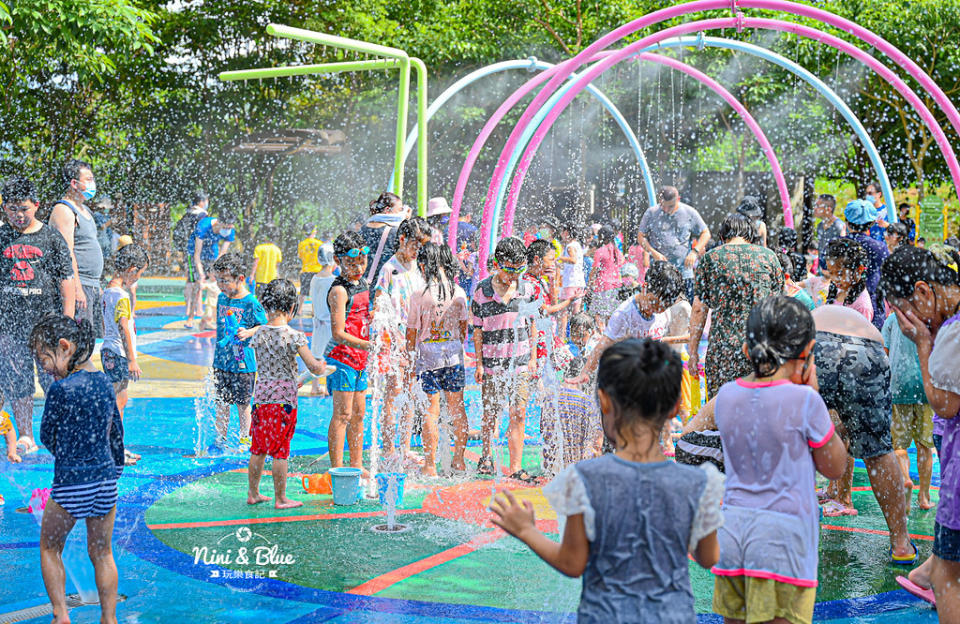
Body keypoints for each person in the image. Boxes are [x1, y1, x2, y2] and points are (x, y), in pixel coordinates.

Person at [490, 338, 723, 623]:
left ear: (603, 400)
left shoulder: (585, 479)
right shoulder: (696, 484)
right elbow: (708, 556)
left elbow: (572, 562)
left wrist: (526, 530)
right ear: (675, 407)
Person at [711, 296, 848, 624]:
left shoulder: (727, 396)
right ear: (809, 350)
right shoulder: (805, 401)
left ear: (748, 350)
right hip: (782, 543)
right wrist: (815, 397)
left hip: (731, 535)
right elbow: (835, 467)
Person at [881, 245, 960, 617]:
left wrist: (924, 345)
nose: (910, 324)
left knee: (947, 571)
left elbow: (945, 404)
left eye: (906, 312)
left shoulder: (950, 332)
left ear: (924, 291)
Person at [30, 314, 123, 624]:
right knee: (102, 552)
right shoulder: (106, 383)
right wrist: (114, 471)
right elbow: (116, 433)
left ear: (65, 347)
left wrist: (66, 453)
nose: (43, 367)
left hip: (71, 484)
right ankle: (109, 619)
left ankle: (61, 616)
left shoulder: (60, 389)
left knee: (50, 547)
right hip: (105, 483)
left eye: (44, 358)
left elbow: (46, 435)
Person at [811, 304, 915, 562]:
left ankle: (795, 537)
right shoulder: (858, 318)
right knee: (879, 452)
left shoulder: (814, 312)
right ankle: (901, 544)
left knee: (797, 440)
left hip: (814, 344)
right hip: (867, 349)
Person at [0, 176, 75, 455]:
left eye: (24, 209)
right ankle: (26, 435)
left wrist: (66, 323)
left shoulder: (50, 237)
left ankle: (59, 429)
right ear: (4, 208)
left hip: (45, 323)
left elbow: (66, 280)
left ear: (37, 205)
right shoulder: (1, 237)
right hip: (9, 323)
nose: (19, 215)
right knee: (17, 379)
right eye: (11, 209)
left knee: (53, 376)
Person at [243, 279, 333, 509]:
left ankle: (253, 493)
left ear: (265, 306)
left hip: (261, 399)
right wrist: (321, 367)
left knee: (259, 447)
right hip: (283, 402)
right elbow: (313, 367)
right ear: (292, 307)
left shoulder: (258, 334)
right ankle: (281, 498)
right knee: (280, 451)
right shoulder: (294, 336)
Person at [687, 213, 784, 397]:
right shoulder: (769, 257)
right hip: (760, 349)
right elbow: (779, 307)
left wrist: (693, 352)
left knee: (720, 412)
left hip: (723, 352)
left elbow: (699, 309)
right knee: (759, 411)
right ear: (749, 235)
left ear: (723, 236)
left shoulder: (711, 259)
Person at [471, 237, 541, 481]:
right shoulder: (482, 291)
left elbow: (533, 325)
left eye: (519, 269)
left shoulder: (528, 289)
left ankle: (515, 467)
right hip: (492, 363)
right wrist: (479, 363)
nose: (514, 275)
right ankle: (486, 456)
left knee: (519, 412)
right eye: (509, 269)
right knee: (491, 412)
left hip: (519, 362)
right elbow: (477, 330)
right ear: (497, 263)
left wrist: (533, 357)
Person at [406, 243, 470, 475]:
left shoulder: (420, 295)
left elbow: (412, 331)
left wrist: (409, 357)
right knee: (457, 409)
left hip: (428, 357)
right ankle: (459, 461)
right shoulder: (460, 293)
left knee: (430, 412)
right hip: (453, 356)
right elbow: (464, 330)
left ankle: (430, 465)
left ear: (424, 265)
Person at [373, 217, 430, 465]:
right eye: (416, 243)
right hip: (395, 341)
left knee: (411, 394)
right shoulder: (390, 269)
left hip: (417, 341)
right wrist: (393, 339)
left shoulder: (419, 269)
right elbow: (379, 305)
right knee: (393, 394)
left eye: (423, 244)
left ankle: (405, 448)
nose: (419, 248)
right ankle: (388, 449)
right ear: (402, 239)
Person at [579, 261, 684, 380]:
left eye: (663, 307)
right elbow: (602, 345)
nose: (656, 309)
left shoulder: (664, 313)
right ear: (644, 287)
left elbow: (655, 340)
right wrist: (585, 373)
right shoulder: (624, 314)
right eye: (652, 302)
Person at [325, 232, 373, 471]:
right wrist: (367, 345)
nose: (357, 267)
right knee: (343, 414)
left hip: (360, 359)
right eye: (351, 263)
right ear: (338, 260)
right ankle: (337, 467)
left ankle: (356, 465)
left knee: (359, 415)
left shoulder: (363, 284)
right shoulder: (339, 291)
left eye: (362, 262)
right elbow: (338, 333)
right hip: (342, 359)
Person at [210, 252, 267, 452]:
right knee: (221, 402)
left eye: (225, 281)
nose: (221, 285)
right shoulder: (221, 298)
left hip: (244, 363)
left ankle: (245, 439)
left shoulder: (251, 302)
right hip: (222, 361)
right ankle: (220, 438)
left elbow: (265, 326)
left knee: (243, 404)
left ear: (240, 278)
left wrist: (249, 331)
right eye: (218, 280)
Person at [882, 309, 936, 513]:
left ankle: (905, 478)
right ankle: (924, 495)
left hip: (899, 385)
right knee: (924, 444)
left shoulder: (892, 319)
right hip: (925, 384)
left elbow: (884, 352)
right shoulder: (929, 317)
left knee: (899, 444)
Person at [101, 244, 148, 466]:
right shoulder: (121, 296)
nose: (137, 279)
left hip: (109, 351)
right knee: (117, 403)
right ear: (131, 270)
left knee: (119, 398)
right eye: (139, 274)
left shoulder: (107, 291)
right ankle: (113, 449)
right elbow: (124, 328)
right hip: (119, 354)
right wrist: (132, 359)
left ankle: (115, 447)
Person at [49, 159, 104, 336]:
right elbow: (66, 253)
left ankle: (82, 364)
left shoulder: (85, 209)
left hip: (91, 283)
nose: (92, 183)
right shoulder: (63, 210)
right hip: (79, 285)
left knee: (88, 338)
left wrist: (97, 284)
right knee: (76, 338)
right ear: (74, 183)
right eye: (88, 179)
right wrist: (77, 289)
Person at [637, 186, 711, 302]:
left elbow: (705, 233)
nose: (666, 210)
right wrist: (653, 252)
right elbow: (641, 237)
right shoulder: (651, 213)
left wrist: (694, 252)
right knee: (657, 310)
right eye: (663, 206)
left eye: (670, 206)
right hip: (659, 273)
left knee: (685, 310)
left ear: (678, 199)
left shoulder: (689, 212)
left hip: (683, 273)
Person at [541, 357, 602, 473]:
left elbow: (543, 432)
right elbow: (597, 443)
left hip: (552, 468)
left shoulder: (548, 399)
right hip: (577, 468)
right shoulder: (588, 402)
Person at [844, 198, 889, 330]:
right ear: (871, 224)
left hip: (842, 301)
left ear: (847, 222)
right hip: (873, 302)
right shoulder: (879, 248)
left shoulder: (837, 245)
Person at [174, 192, 209, 328]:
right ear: (201, 202)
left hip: (187, 250)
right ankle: (197, 309)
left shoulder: (187, 214)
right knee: (196, 280)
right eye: (206, 200)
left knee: (191, 279)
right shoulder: (202, 215)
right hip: (197, 250)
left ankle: (189, 308)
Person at [361, 192, 405, 288]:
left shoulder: (363, 228)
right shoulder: (395, 231)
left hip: (362, 285)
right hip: (383, 286)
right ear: (387, 210)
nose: (402, 213)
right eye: (400, 210)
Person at [308, 244, 336, 397]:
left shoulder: (314, 278)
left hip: (317, 321)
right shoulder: (334, 280)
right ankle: (328, 387)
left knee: (317, 354)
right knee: (331, 355)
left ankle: (315, 386)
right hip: (330, 322)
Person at [822, 238, 873, 320]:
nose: (835, 279)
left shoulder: (862, 306)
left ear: (859, 270)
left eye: (840, 274)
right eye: (831, 273)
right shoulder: (838, 291)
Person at [586, 225, 624, 329]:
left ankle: (602, 335)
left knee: (597, 314)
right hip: (615, 286)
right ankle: (610, 335)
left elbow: (595, 269)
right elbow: (622, 263)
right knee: (610, 314)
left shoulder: (600, 251)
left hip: (602, 285)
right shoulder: (617, 251)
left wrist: (589, 282)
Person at [557, 222, 587, 337]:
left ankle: (562, 337)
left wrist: (559, 258)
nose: (561, 233)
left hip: (570, 283)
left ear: (567, 232)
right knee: (576, 313)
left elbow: (573, 260)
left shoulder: (570, 246)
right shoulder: (577, 245)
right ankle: (579, 336)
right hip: (578, 282)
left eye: (563, 231)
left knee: (563, 312)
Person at [814, 193, 846, 272]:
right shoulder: (820, 226)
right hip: (822, 269)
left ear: (828, 209)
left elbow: (843, 251)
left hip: (835, 270)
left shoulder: (839, 226)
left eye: (818, 206)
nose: (815, 208)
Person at [297, 225, 324, 312]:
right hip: (317, 271)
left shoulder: (302, 244)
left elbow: (300, 257)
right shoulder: (320, 244)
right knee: (316, 292)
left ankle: (299, 310)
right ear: (314, 232)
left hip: (305, 270)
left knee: (303, 292)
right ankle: (314, 311)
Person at [251, 228, 282, 299]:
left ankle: (260, 310)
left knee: (259, 298)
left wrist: (252, 275)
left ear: (265, 237)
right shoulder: (277, 250)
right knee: (271, 299)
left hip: (260, 278)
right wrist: (278, 276)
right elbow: (277, 266)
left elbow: (256, 262)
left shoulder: (259, 248)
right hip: (272, 279)